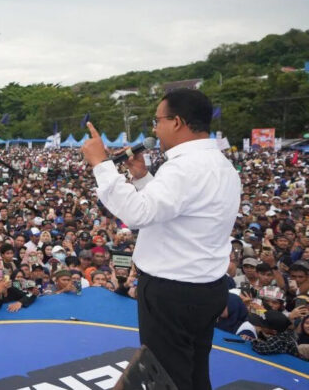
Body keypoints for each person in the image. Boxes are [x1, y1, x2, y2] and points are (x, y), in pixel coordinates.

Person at [82, 88, 241, 390]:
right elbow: (178, 213)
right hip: (206, 287)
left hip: (173, 293)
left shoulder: (183, 167)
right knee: (194, 372)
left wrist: (100, 164)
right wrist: (142, 178)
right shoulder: (221, 165)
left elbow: (138, 214)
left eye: (157, 121)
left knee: (168, 377)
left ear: (177, 122)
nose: (154, 129)